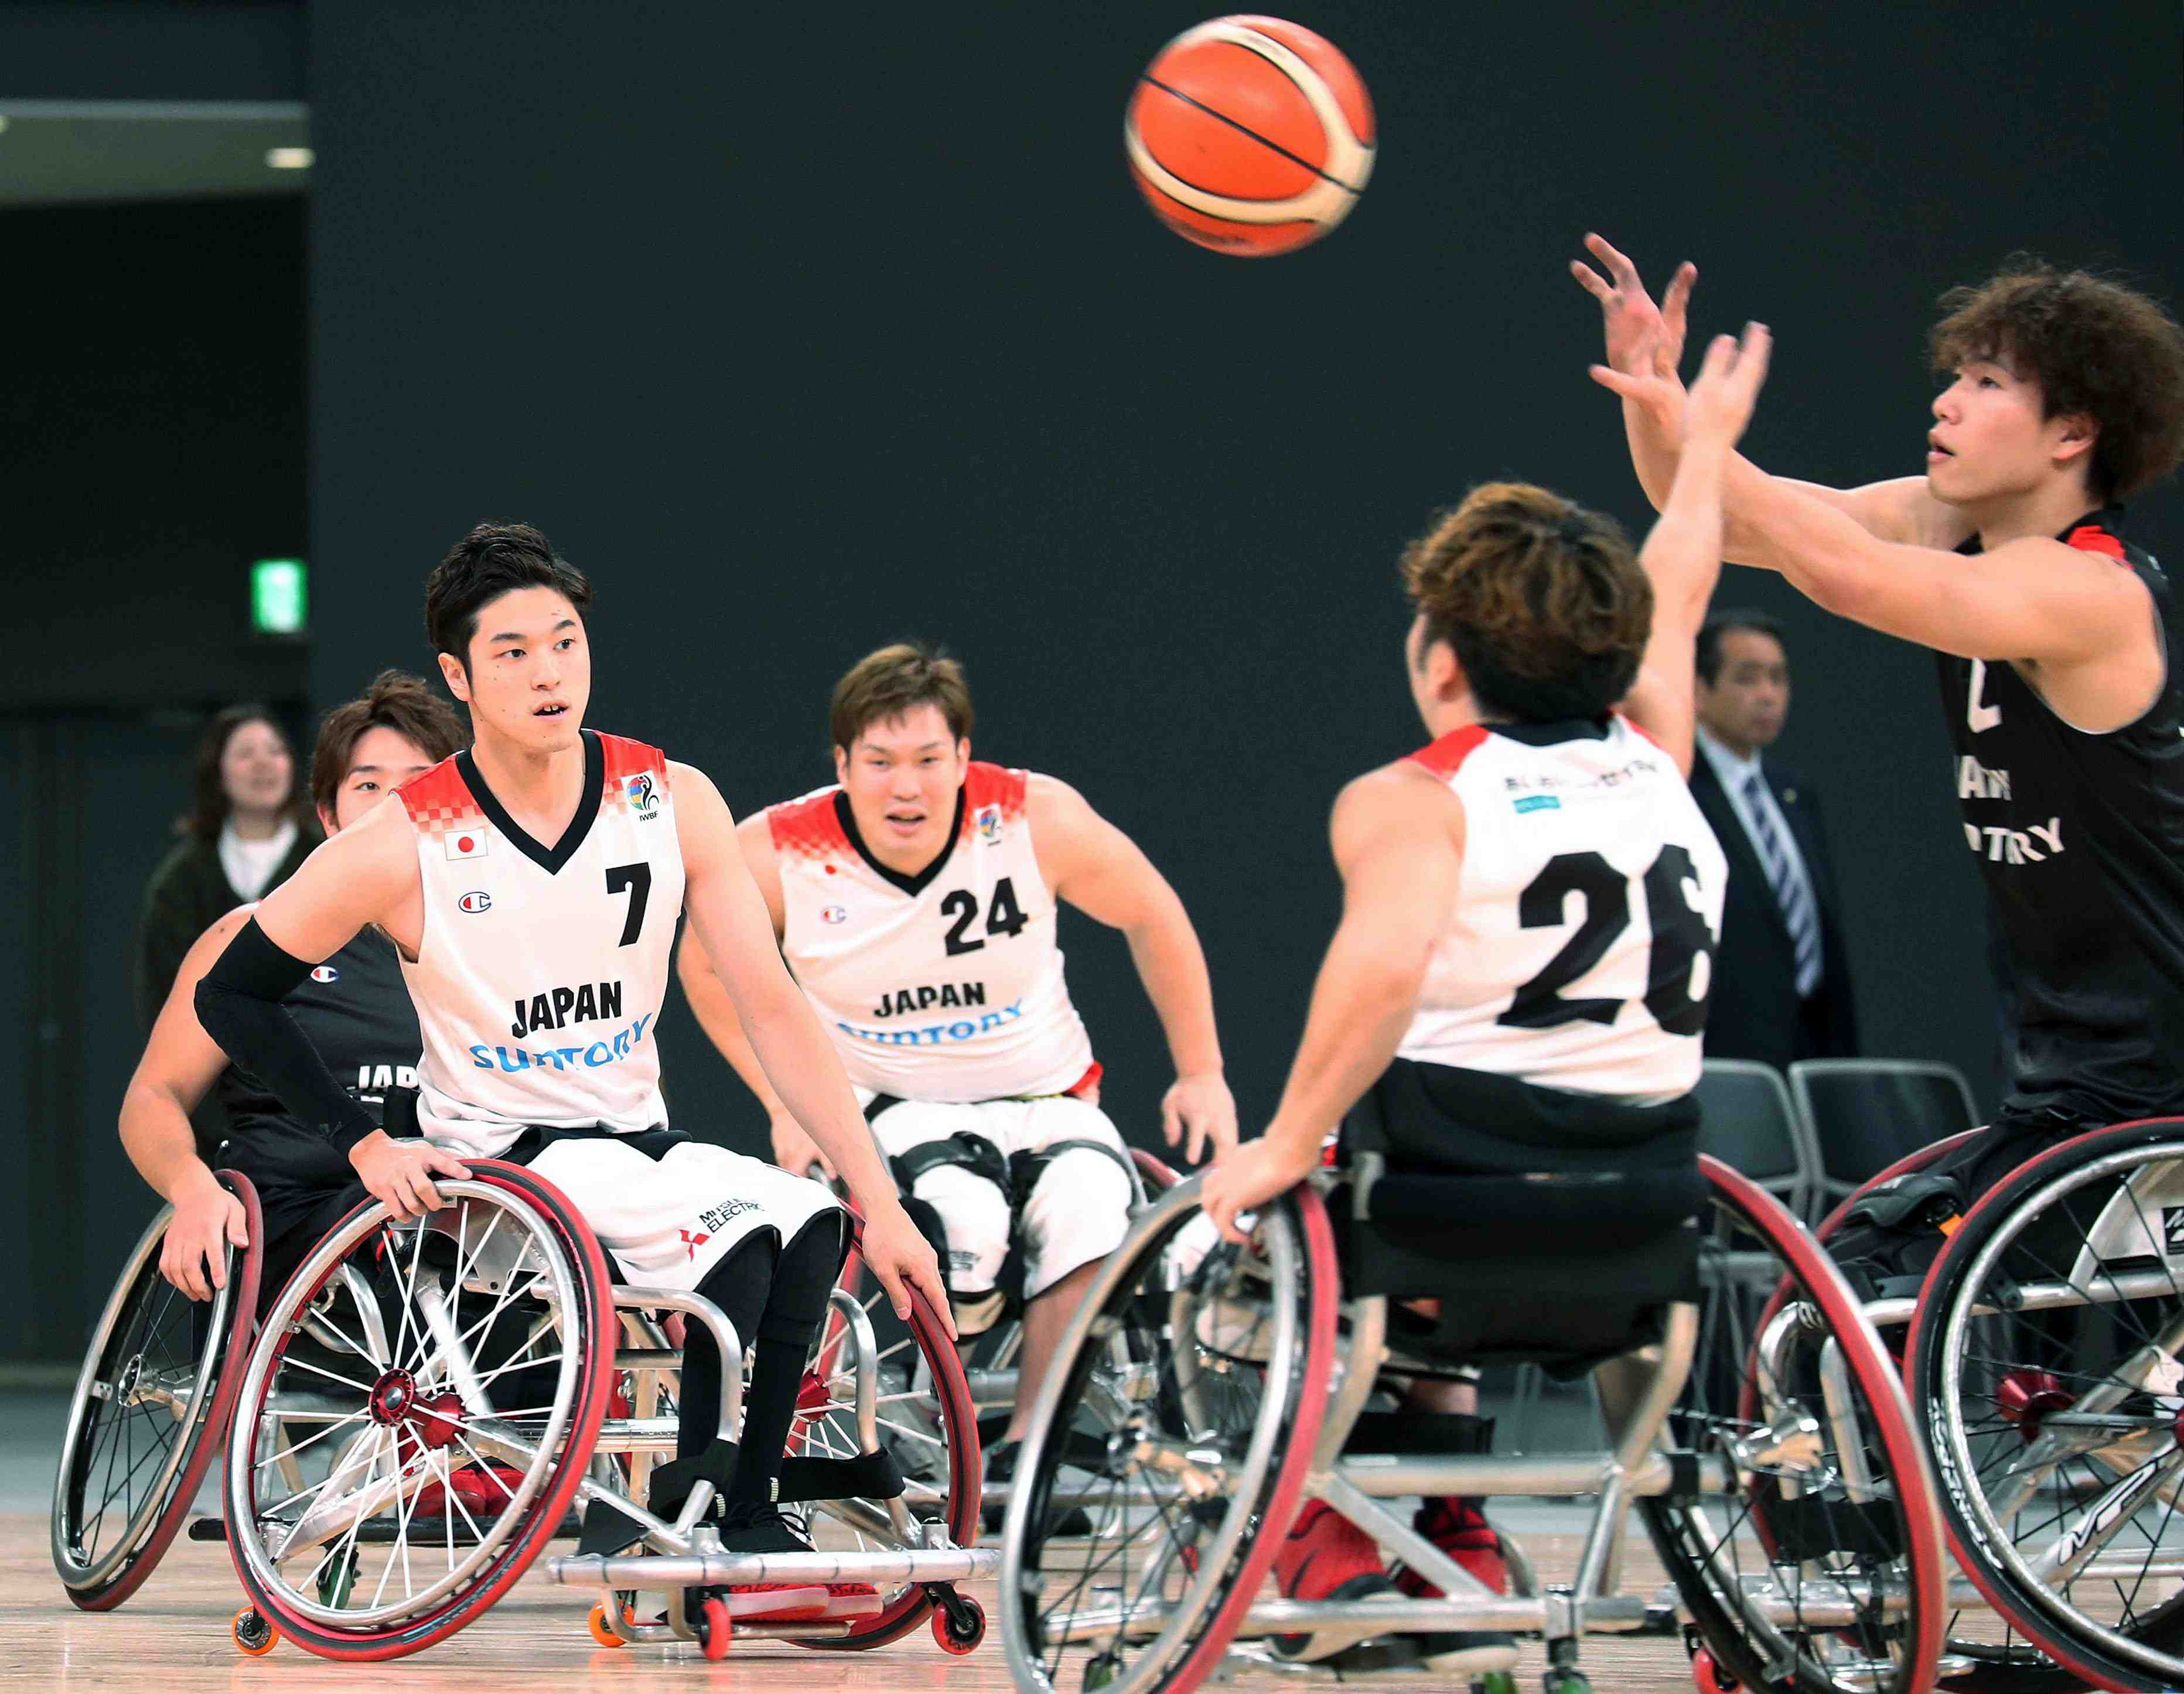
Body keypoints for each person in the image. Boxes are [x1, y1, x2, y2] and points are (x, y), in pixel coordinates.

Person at [189, 522, 950, 1618]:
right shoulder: (404, 838)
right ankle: (724, 1510)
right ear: (458, 676)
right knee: (740, 1232)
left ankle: (730, 1499)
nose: (549, 670)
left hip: (630, 1141)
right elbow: (233, 993)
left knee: (810, 1219)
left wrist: (879, 1201)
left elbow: (773, 1004)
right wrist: (362, 1141)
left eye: (564, 640)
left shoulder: (672, 797)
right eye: (512, 651)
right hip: (499, 1164)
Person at [1202, 325, 1769, 1670]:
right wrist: (1703, 458)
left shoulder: (1414, 796)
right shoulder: (1660, 764)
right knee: (1399, 1166)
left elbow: (1384, 967)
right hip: (1643, 1221)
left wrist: (1280, 1143)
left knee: (1245, 1231)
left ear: (1441, 661)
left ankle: (1356, 1537)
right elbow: (1677, 595)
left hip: (1448, 1230)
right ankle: (1445, 1519)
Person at [1575, 235, 2184, 1212]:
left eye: (1984, 382)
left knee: (1879, 1321)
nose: (1943, 401)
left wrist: (1705, 427)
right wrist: (1656, 396)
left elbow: (1840, 573)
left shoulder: (2085, 590)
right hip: (2061, 1069)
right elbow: (1724, 517)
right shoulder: (1943, 523)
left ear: (2070, 433)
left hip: (2152, 1072)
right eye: (1952, 376)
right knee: (1864, 1324)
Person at [677, 640, 1234, 1514]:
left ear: (965, 759)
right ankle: (920, 1416)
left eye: (930, 761)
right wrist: (784, 1105)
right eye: (882, 762)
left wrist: (1202, 1070)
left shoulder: (1033, 818)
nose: (908, 787)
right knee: (962, 1223)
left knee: (1092, 1201)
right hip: (890, 1103)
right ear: (842, 765)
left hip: (1047, 1095)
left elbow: (1153, 911)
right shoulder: (778, 850)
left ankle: (1033, 1452)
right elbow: (702, 969)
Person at [121, 671, 464, 1304]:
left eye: (418, 785)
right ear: (329, 817)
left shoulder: (497, 944)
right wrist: (192, 1187)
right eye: (368, 785)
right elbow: (153, 1095)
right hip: (298, 1222)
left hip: (463, 1225)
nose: (394, 805)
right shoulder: (248, 937)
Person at [1687, 609, 1859, 1070]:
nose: (1767, 695)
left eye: (1778, 679)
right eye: (1747, 678)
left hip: (1811, 1044)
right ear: (1699, 690)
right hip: (1726, 1050)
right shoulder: (1678, 791)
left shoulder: (1793, 793)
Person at [136, 706, 320, 1037]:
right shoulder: (182, 878)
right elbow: (163, 990)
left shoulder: (325, 857)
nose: (263, 763)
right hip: (211, 1061)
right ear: (217, 773)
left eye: (276, 751)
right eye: (245, 753)